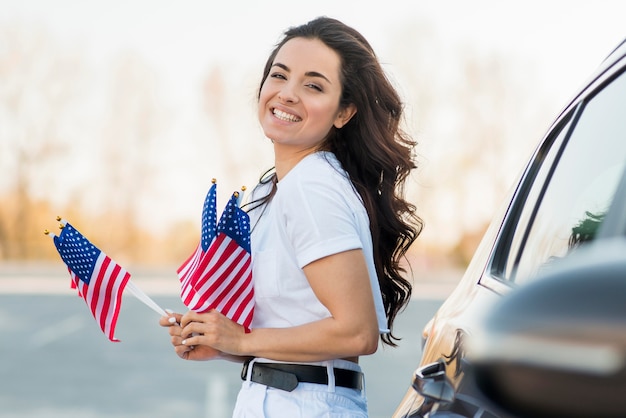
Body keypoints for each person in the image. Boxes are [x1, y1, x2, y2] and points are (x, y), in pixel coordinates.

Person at [160, 16, 423, 417]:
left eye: (313, 85)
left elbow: (357, 332)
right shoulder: (279, 189)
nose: (287, 94)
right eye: (279, 75)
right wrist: (224, 344)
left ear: (343, 112)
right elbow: (303, 325)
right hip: (282, 396)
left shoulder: (312, 186)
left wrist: (244, 341)